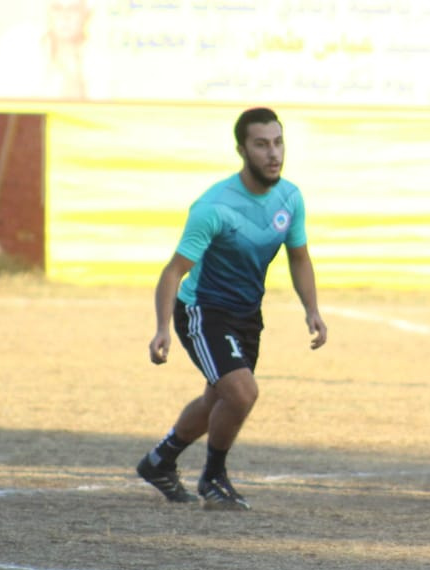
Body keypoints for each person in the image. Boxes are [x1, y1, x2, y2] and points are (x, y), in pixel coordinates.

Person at [136, 107, 328, 510]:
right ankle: (213, 478)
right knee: (241, 393)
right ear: (241, 150)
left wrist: (311, 309)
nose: (273, 153)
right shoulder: (213, 207)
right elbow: (173, 272)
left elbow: (299, 257)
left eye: (278, 143)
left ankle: (159, 461)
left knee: (217, 401)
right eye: (261, 145)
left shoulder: (290, 198)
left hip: (247, 316)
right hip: (203, 312)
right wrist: (161, 329)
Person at [0, 0, 110, 101]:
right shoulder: (17, 39)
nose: (64, 17)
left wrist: (73, 73)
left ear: (87, 14)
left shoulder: (99, 66)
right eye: (57, 8)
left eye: (74, 9)